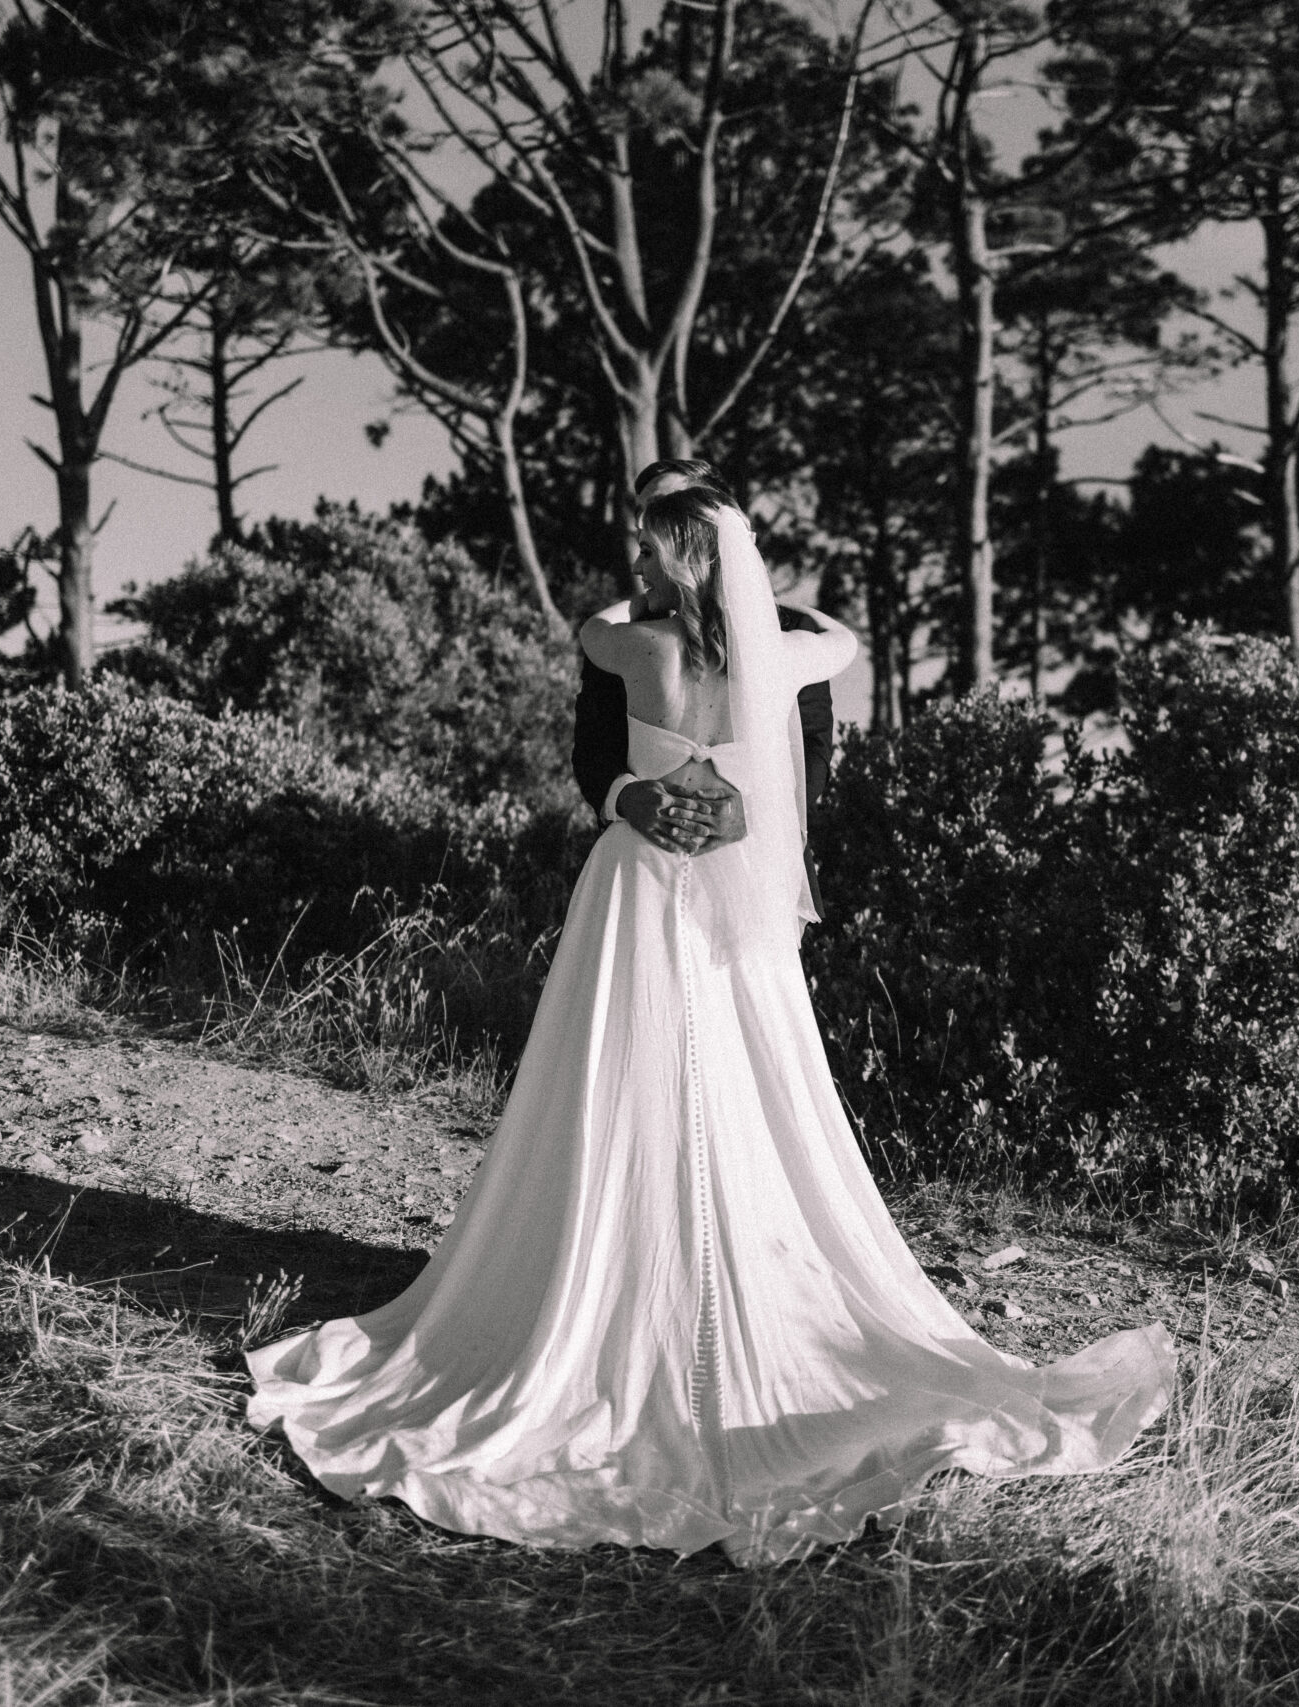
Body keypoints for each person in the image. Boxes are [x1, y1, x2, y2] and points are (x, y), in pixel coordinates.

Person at [246, 487, 1173, 1563]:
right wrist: (770, 603)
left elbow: (586, 630)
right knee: (741, 1081)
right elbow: (847, 641)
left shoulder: (631, 644)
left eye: (647, 549)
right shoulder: (782, 660)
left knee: (621, 1077)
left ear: (676, 562)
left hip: (643, 884)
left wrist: (641, 722)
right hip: (736, 896)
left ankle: (608, 1280)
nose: (635, 565)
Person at [572, 459, 834, 859]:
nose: (653, 519)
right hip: (645, 859)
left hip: (760, 863)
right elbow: (592, 744)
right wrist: (624, 796)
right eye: (643, 512)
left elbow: (810, 748)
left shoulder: (787, 630)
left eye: (670, 503)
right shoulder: (631, 633)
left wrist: (754, 813)